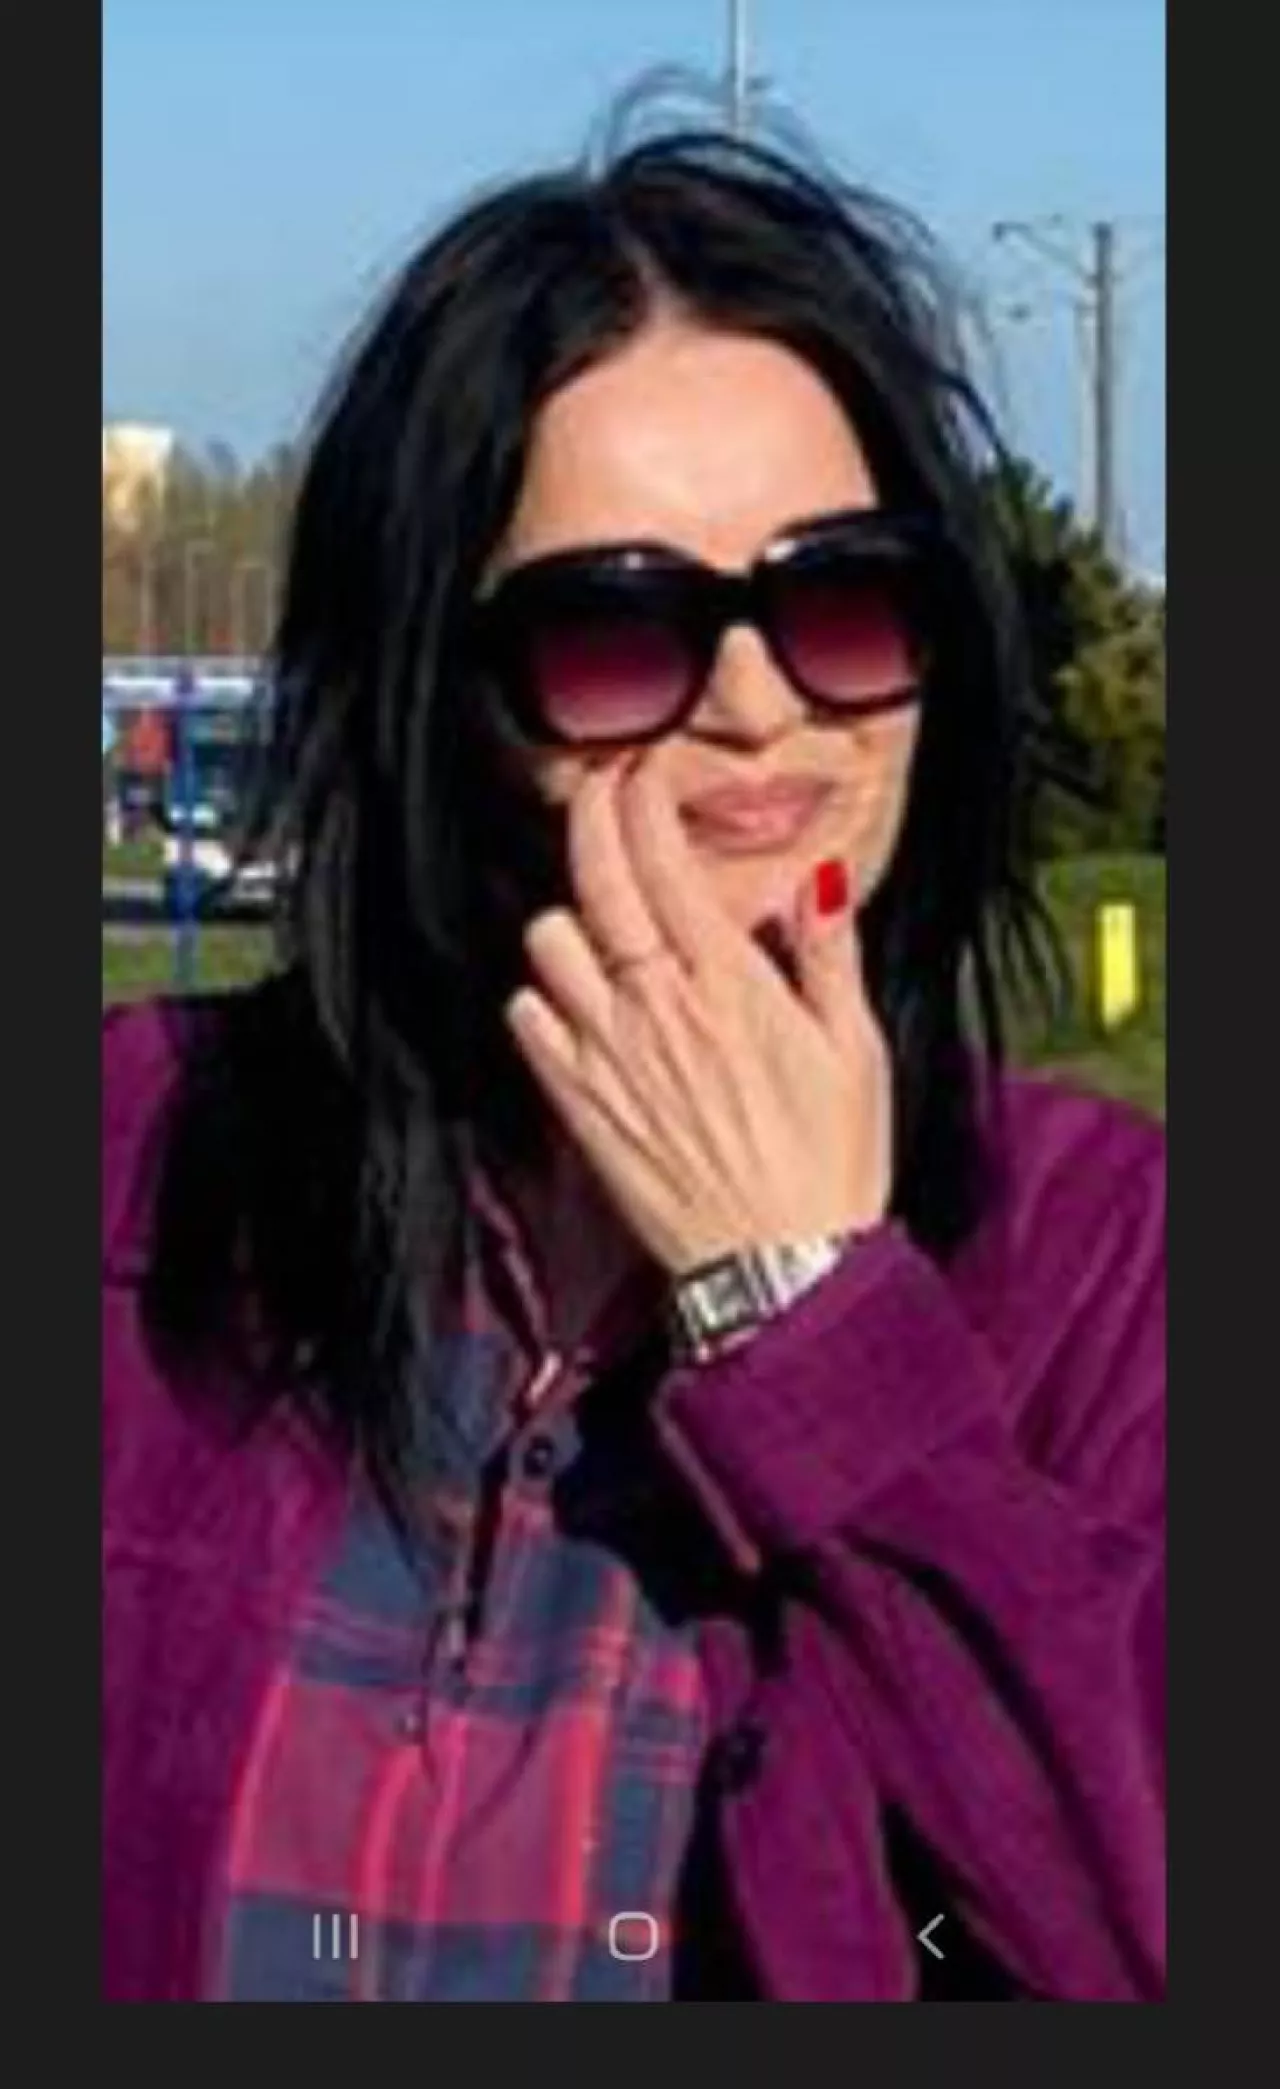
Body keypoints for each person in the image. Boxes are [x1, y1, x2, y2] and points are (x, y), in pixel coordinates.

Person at [102, 117, 1165, 2003]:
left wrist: (811, 1320)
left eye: (844, 599)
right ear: (435, 691)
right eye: (617, 628)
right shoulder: (136, 1162)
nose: (759, 704)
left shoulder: (1108, 1258)